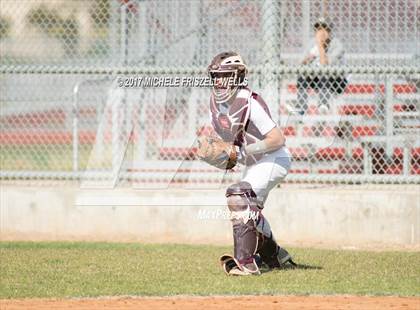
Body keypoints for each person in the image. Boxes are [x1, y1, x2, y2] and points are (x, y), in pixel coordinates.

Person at [206, 51, 296, 275]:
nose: (218, 81)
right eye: (215, 76)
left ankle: (245, 262)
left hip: (274, 157)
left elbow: (277, 139)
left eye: (222, 76)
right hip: (255, 163)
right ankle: (275, 254)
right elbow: (228, 144)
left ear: (236, 76)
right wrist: (221, 154)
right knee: (250, 214)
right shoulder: (217, 106)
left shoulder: (249, 101)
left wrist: (244, 151)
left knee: (239, 197)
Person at [294, 18, 347, 114]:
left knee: (324, 73)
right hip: (317, 79)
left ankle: (323, 104)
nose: (321, 32)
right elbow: (300, 63)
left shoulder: (336, 44)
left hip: (336, 80)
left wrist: (320, 45)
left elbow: (325, 65)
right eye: (318, 29)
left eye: (324, 29)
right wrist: (310, 56)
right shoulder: (311, 43)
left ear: (329, 32)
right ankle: (301, 107)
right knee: (302, 76)